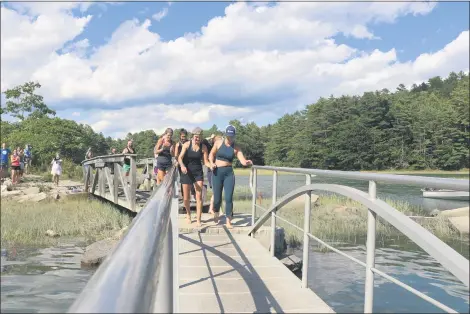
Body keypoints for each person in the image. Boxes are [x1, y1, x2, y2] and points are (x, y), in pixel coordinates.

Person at [209, 125, 253, 228]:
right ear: (225, 135)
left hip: (229, 174)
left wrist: (246, 162)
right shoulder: (218, 143)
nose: (230, 138)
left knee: (228, 197)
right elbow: (211, 154)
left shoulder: (236, 147)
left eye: (232, 136)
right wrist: (211, 163)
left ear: (234, 136)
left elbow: (242, 160)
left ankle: (228, 220)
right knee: (217, 198)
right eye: (228, 136)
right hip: (217, 172)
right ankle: (216, 211)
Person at [178, 127, 211, 226]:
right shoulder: (186, 145)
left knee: (199, 196)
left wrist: (212, 165)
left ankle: (198, 219)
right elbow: (179, 158)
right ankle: (188, 214)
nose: (197, 139)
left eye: (199, 137)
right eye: (196, 137)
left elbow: (206, 162)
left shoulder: (203, 147)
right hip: (186, 172)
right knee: (186, 198)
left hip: (198, 173)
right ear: (193, 136)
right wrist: (182, 166)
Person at [174, 129, 188, 201]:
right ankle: (184, 196)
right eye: (182, 136)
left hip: (188, 163)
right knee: (183, 179)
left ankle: (190, 195)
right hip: (181, 164)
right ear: (180, 136)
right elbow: (176, 155)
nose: (183, 138)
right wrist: (178, 162)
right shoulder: (178, 144)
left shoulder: (189, 142)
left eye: (184, 136)